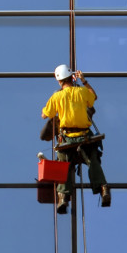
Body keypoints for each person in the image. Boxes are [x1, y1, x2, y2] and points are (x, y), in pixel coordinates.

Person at [41, 65, 110, 214]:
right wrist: (84, 81)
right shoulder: (82, 92)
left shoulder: (57, 96)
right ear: (71, 78)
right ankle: (103, 188)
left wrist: (52, 108)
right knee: (93, 160)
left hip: (68, 139)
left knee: (62, 164)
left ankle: (63, 197)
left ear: (59, 81)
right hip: (85, 135)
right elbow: (94, 97)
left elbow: (45, 114)